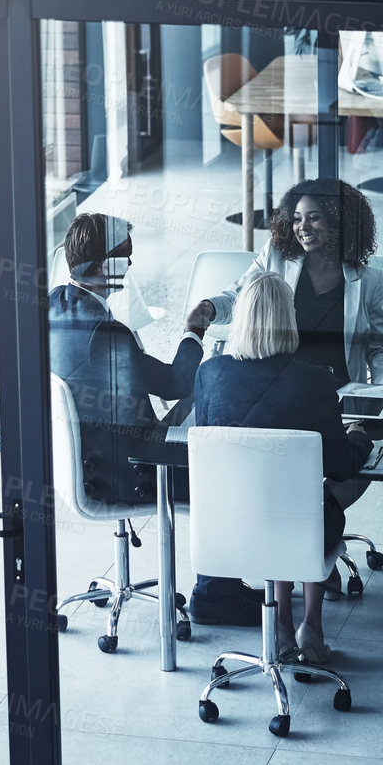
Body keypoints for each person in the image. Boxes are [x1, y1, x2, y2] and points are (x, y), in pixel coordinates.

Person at [47, 213, 261, 626]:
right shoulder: (107, 334)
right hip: (129, 471)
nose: (130, 266)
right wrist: (194, 330)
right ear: (98, 265)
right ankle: (217, 597)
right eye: (123, 257)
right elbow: (176, 382)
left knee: (208, 394)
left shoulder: (53, 304)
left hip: (88, 460)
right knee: (226, 464)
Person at [192, 271, 371, 665]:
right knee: (308, 503)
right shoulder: (312, 382)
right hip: (299, 533)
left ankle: (282, 625)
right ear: (289, 318)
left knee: (279, 500)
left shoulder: (209, 373)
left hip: (227, 530)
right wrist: (358, 437)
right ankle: (311, 625)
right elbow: (340, 466)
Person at [185, 177, 383, 387]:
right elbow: (240, 299)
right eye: (297, 219)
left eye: (313, 217)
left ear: (339, 223)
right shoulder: (275, 256)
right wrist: (210, 308)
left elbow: (379, 348)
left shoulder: (370, 281)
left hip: (340, 391)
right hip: (279, 386)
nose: (303, 227)